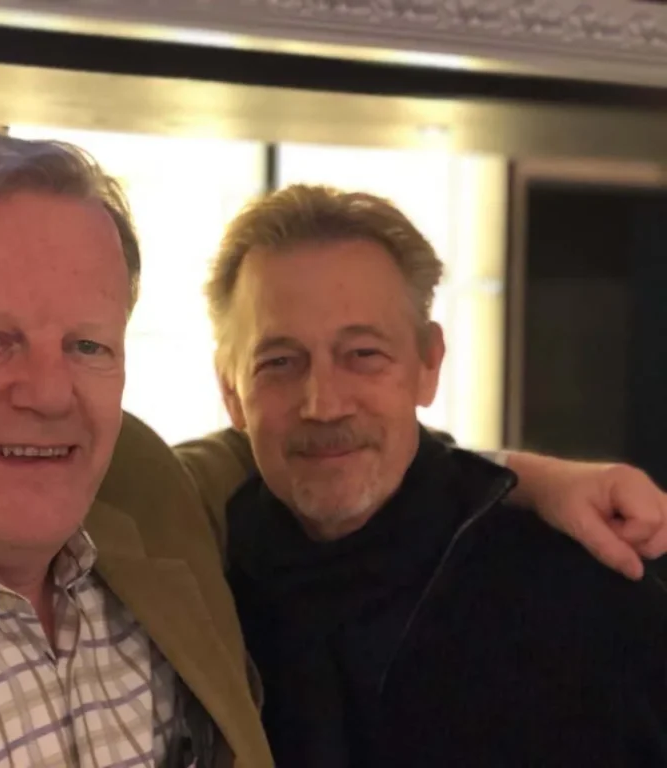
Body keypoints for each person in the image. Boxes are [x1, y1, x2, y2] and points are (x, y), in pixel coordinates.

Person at [0, 132, 662, 768]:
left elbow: (324, 453)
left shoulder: (141, 490)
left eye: (87, 345)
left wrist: (527, 479)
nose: (47, 393)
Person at [181, 183, 667, 766]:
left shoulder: (580, 593)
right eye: (279, 362)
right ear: (231, 391)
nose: (323, 404)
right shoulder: (195, 603)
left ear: (429, 364)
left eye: (363, 354)